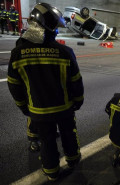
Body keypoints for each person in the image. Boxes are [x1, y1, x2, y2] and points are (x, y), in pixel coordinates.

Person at [7, 3, 84, 181]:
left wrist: (23, 107)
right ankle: (73, 161)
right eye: (55, 27)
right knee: (69, 135)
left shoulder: (18, 53)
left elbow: (14, 85)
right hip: (65, 109)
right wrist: (78, 101)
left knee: (47, 141)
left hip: (38, 112)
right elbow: (76, 82)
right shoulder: (65, 52)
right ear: (48, 27)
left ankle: (51, 173)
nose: (57, 31)